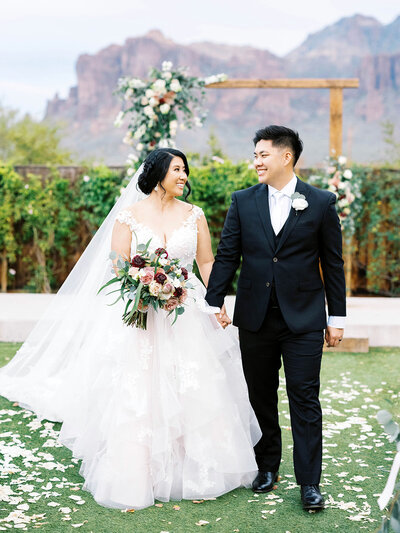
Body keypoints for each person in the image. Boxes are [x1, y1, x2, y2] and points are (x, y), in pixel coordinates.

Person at [0, 148, 261, 510]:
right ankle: (138, 470)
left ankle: (197, 468)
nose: (184, 176)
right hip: (141, 314)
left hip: (186, 313)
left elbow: (205, 260)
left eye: (185, 170)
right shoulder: (129, 216)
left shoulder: (194, 215)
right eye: (177, 170)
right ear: (157, 175)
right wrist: (144, 284)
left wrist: (216, 302)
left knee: (193, 384)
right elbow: (118, 264)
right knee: (140, 388)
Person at [205, 125, 346, 511]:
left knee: (304, 398)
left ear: (286, 157)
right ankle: (266, 467)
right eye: (254, 155)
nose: (256, 162)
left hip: (303, 319)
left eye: (263, 154)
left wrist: (338, 318)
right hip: (254, 318)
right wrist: (212, 301)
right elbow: (228, 253)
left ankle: (309, 484)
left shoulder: (320, 202)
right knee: (259, 397)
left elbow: (332, 264)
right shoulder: (243, 201)